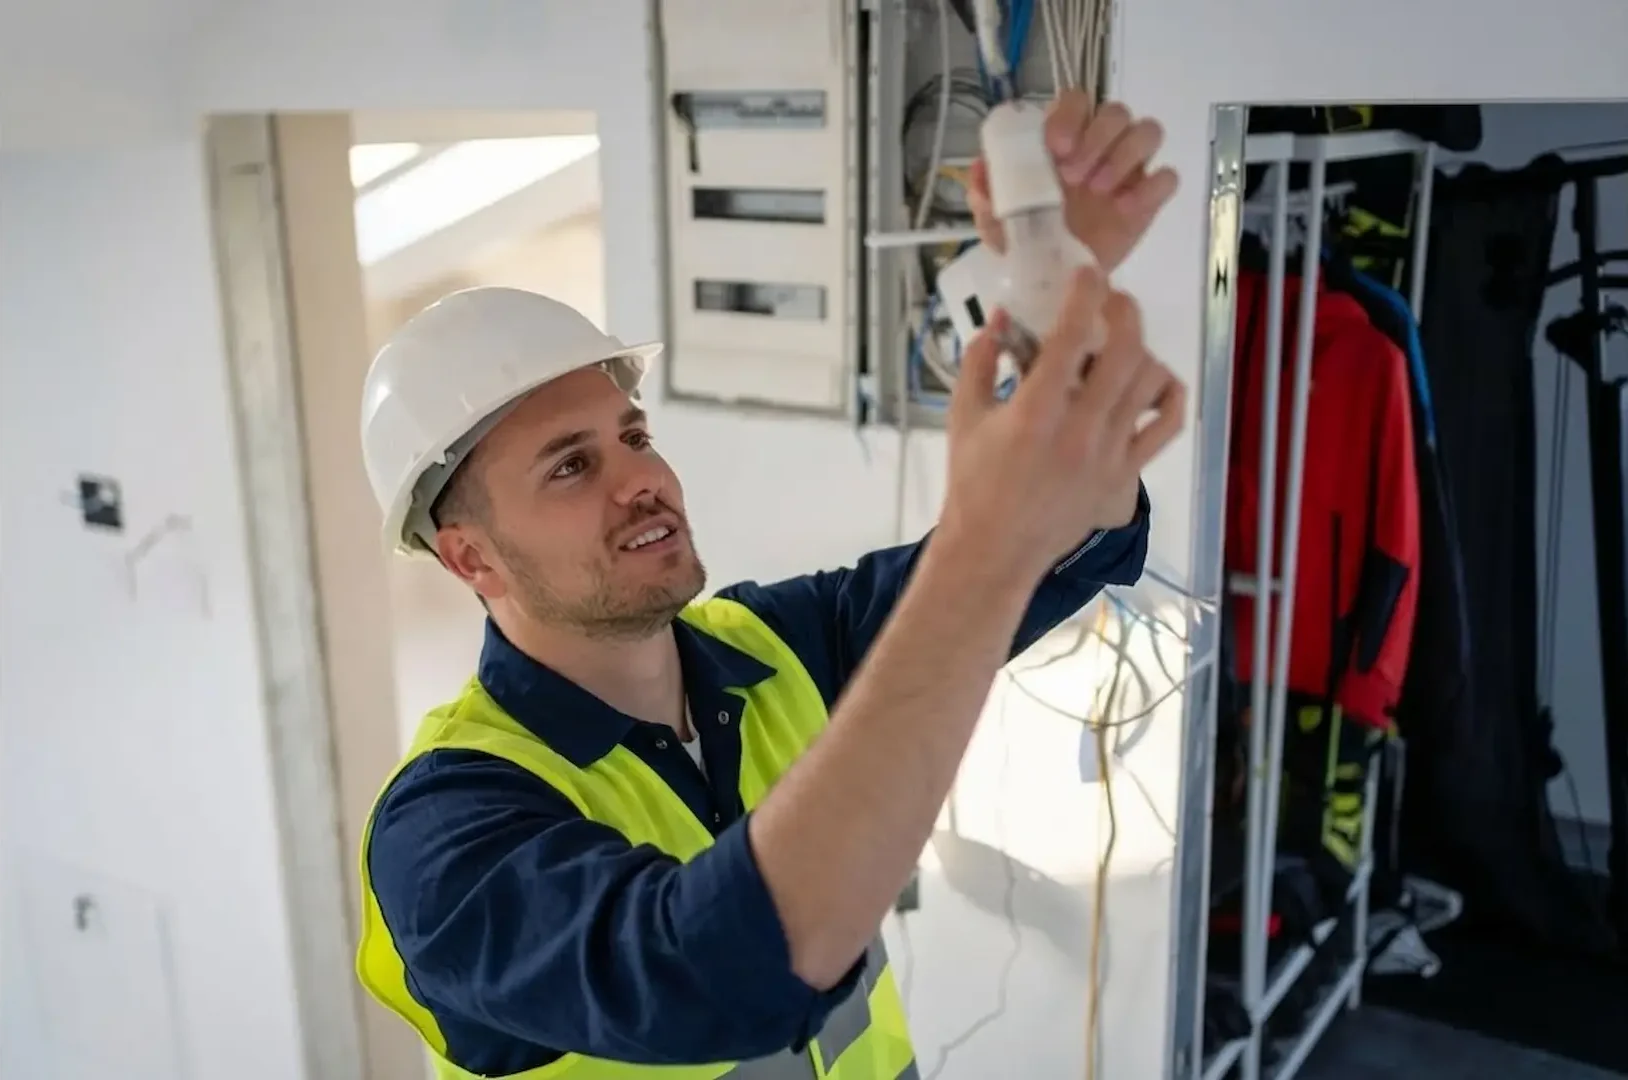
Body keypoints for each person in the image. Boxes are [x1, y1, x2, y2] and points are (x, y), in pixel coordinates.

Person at [355, 91, 1184, 1080]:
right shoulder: (445, 829)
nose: (641, 479)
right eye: (571, 466)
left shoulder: (773, 645)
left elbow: (1072, 543)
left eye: (633, 436)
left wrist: (1052, 297)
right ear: (471, 558)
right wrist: (983, 546)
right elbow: (700, 974)